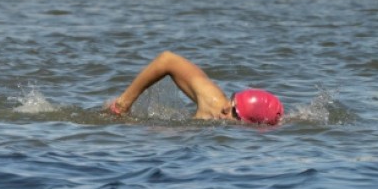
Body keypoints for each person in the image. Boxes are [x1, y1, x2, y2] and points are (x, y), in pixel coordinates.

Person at [105, 51, 284, 124]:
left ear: (245, 123)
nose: (226, 107)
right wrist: (124, 103)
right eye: (232, 100)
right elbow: (167, 59)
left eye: (234, 112)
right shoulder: (214, 101)